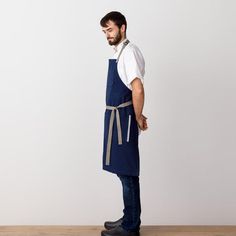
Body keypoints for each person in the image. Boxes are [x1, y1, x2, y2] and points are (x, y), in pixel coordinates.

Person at [100, 11, 148, 236]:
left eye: (110, 29)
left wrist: (138, 117)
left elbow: (137, 88)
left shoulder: (129, 53)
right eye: (104, 31)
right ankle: (129, 216)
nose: (107, 35)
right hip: (118, 117)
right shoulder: (121, 52)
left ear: (123, 27)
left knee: (128, 173)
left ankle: (130, 226)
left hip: (124, 119)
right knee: (123, 172)